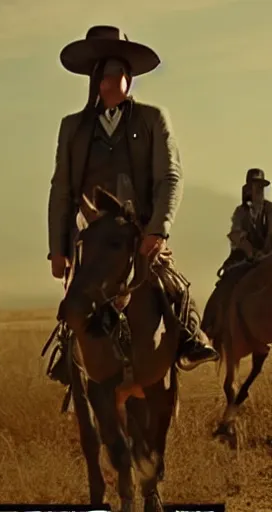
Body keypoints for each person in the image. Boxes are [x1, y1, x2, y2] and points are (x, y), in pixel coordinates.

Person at [46, 25, 219, 383]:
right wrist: (57, 250)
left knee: (174, 285)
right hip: (92, 236)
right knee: (76, 302)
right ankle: (69, 355)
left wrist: (158, 228)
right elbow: (61, 189)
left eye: (115, 74)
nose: (108, 82)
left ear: (128, 79)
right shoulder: (72, 128)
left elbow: (171, 177)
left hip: (139, 230)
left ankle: (189, 336)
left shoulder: (153, 119)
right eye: (102, 75)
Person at [218, 168, 272, 276]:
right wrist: (252, 254)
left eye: (261, 186)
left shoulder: (270, 209)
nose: (259, 190)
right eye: (255, 185)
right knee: (229, 276)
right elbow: (237, 236)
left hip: (269, 255)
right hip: (246, 258)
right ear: (248, 189)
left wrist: (265, 253)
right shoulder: (241, 212)